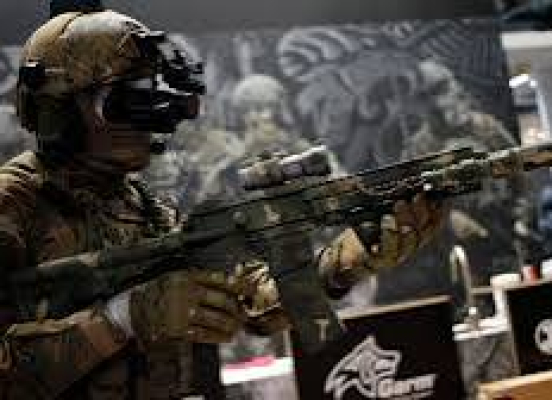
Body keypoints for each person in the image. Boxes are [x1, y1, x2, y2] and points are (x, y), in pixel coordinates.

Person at [0, 5, 444, 400]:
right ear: (58, 109)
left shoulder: (148, 209)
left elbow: (249, 303)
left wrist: (345, 262)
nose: (149, 116)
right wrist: (124, 318)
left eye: (151, 95)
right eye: (126, 100)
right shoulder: (14, 204)